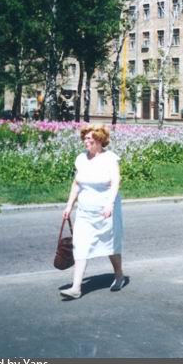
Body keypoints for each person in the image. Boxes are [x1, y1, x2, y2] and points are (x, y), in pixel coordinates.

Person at [60, 124, 127, 299]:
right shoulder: (81, 158)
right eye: (85, 138)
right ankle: (76, 287)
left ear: (99, 140)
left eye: (90, 139)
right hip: (85, 211)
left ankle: (119, 274)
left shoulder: (110, 158)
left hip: (106, 211)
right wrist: (69, 206)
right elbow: (76, 184)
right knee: (80, 246)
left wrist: (109, 205)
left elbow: (115, 182)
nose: (86, 141)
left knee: (110, 246)